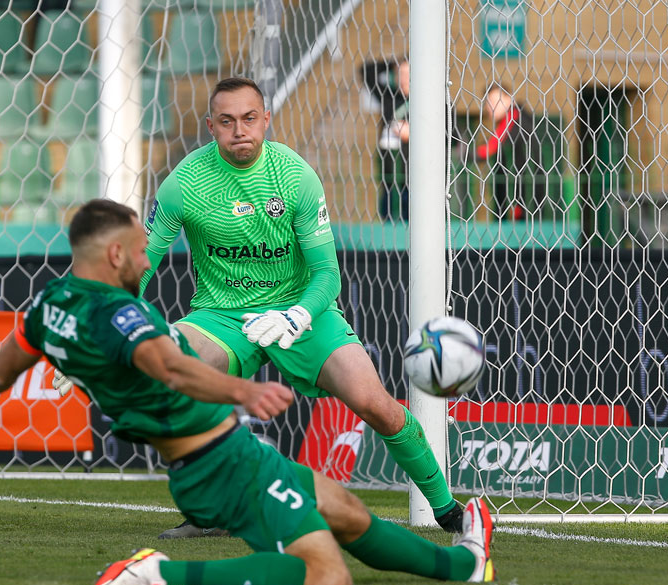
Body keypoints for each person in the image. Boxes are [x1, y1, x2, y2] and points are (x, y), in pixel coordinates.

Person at [0, 199, 495, 585]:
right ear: (115, 255)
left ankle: (463, 565)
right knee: (325, 574)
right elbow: (173, 368)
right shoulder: (123, 316)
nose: (148, 260)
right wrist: (245, 390)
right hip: (221, 466)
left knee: (344, 510)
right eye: (141, 250)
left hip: (219, 458)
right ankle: (159, 575)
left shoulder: (50, 305)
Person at [122, 76, 465, 538]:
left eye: (249, 118)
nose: (239, 130)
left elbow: (327, 274)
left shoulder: (295, 176)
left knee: (375, 404)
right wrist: (111, 322)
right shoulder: (184, 184)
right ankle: (210, 511)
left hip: (301, 311)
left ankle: (447, 510)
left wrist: (295, 315)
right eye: (227, 121)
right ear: (211, 126)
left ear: (266, 119)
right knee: (175, 372)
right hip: (222, 315)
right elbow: (141, 266)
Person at [456, 84, 543, 222]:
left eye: (495, 102)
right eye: (488, 103)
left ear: (509, 99)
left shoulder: (514, 117)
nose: (490, 107)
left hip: (524, 196)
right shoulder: (518, 117)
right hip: (523, 193)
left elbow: (490, 149)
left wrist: (464, 154)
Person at [371, 59, 410, 222]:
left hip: (410, 177)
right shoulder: (388, 98)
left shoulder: (425, 102)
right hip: (388, 173)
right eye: (399, 74)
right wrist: (392, 62)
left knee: (409, 218)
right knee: (387, 217)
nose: (403, 79)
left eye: (407, 74)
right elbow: (367, 71)